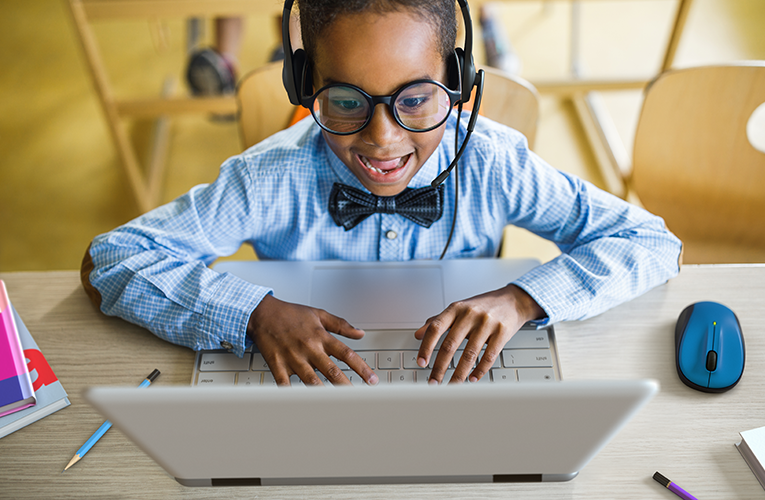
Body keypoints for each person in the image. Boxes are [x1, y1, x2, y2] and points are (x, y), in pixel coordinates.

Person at [81, 0, 681, 387]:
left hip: (455, 383)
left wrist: (522, 299)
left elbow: (651, 241)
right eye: (345, 101)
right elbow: (110, 258)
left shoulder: (494, 163)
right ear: (303, 85)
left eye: (416, 98)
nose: (383, 137)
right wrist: (253, 312)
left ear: (460, 84)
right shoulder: (268, 177)